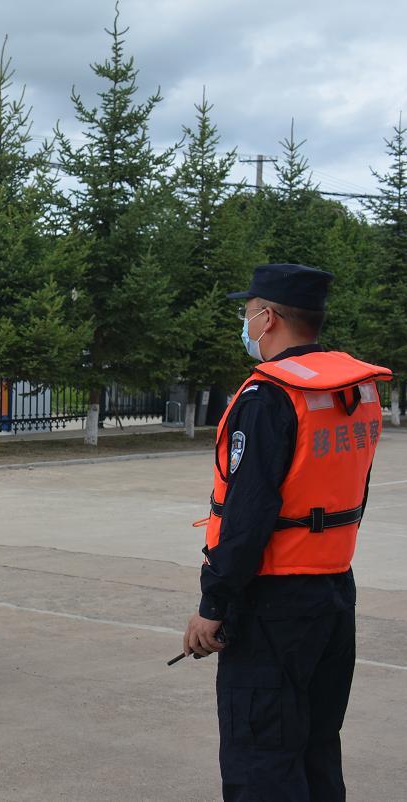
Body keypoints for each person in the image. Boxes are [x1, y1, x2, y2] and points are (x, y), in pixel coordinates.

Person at [182, 263, 391, 801]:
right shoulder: (354, 391)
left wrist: (214, 604)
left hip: (272, 600)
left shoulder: (269, 396)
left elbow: (248, 515)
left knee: (261, 754)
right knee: (316, 744)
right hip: (332, 588)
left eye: (247, 312)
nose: (245, 322)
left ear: (268, 317)